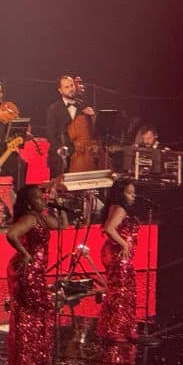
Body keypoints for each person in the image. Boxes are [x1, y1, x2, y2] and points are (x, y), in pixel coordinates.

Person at [5, 184, 70, 365]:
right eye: (38, 197)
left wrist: (60, 206)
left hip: (37, 272)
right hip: (27, 272)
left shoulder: (40, 217)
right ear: (28, 202)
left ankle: (35, 362)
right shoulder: (30, 218)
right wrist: (24, 253)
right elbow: (11, 234)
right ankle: (27, 364)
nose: (43, 200)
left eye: (43, 197)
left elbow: (63, 226)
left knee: (40, 313)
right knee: (31, 314)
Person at [97, 179, 140, 342]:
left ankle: (121, 327)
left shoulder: (115, 207)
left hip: (116, 253)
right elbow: (109, 228)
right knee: (120, 291)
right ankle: (114, 329)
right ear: (120, 194)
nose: (133, 196)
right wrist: (124, 244)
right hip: (117, 255)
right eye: (129, 193)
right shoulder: (120, 209)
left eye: (133, 192)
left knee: (122, 290)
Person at [45, 74, 96, 178]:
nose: (71, 89)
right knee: (59, 165)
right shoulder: (54, 109)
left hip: (80, 152)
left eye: (72, 85)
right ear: (60, 90)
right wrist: (60, 149)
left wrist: (92, 117)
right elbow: (51, 135)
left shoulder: (82, 105)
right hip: (62, 151)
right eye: (66, 87)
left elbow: (90, 131)